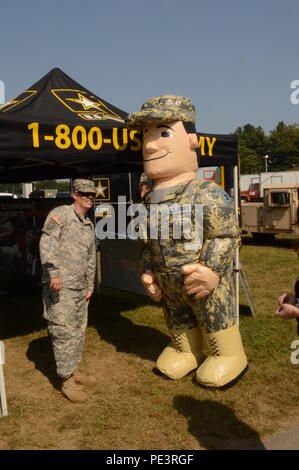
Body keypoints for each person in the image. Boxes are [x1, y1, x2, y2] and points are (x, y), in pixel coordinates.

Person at [126, 95, 247, 388]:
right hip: (169, 287)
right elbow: (147, 242)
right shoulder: (148, 202)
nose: (150, 144)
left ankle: (229, 355)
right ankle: (187, 349)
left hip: (203, 282)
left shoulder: (205, 192)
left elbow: (226, 234)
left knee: (213, 316)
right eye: (147, 136)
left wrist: (211, 270)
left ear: (191, 141)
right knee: (178, 321)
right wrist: (148, 271)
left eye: (163, 133)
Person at [39, 179, 97, 403]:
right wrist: (54, 273)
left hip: (80, 289)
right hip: (60, 288)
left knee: (78, 331)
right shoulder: (60, 214)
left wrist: (90, 286)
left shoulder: (88, 224)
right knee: (63, 332)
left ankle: (73, 370)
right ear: (74, 195)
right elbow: (47, 243)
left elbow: (91, 258)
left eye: (92, 195)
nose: (89, 198)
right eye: (84, 194)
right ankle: (66, 380)